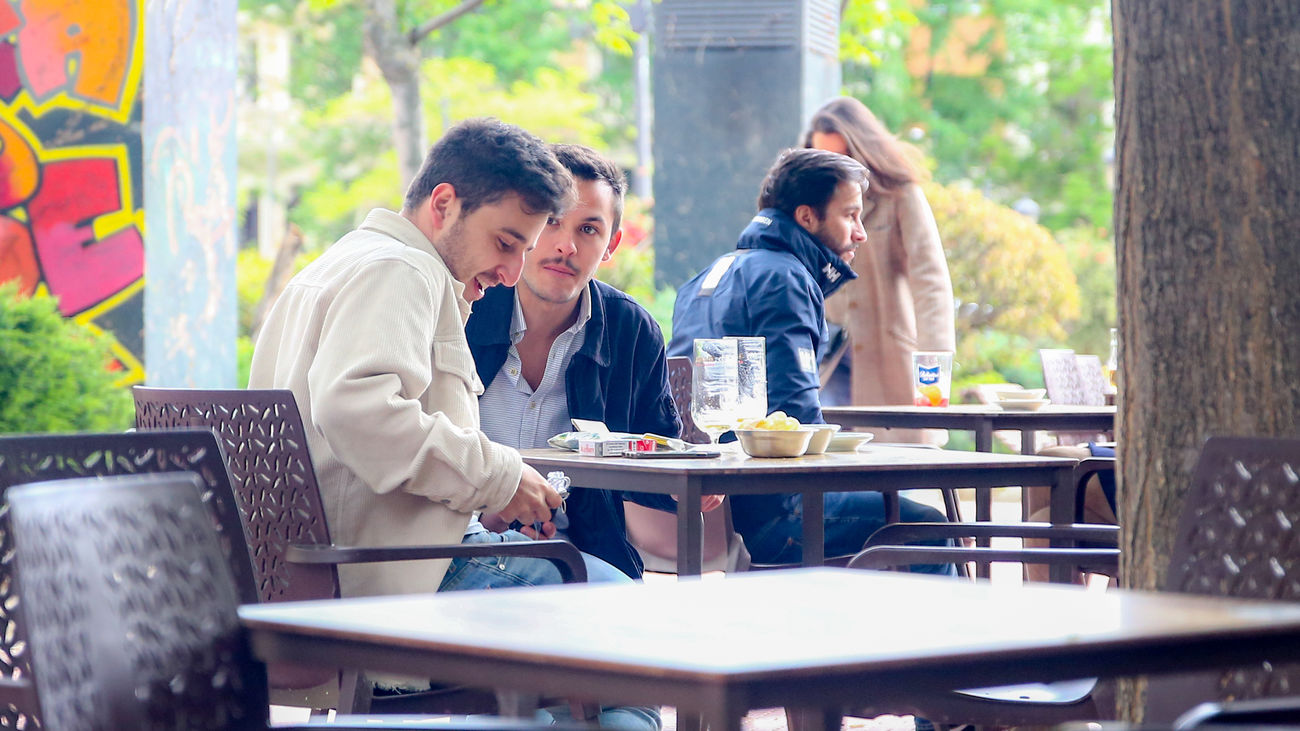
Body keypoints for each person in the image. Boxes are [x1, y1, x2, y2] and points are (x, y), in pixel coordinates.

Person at [248, 117, 577, 601]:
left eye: (523, 252)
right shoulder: (402, 269)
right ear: (443, 204)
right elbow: (357, 409)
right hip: (389, 578)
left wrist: (488, 494)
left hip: (331, 566)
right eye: (505, 244)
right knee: (617, 598)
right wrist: (499, 477)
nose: (510, 274)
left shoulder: (349, 259)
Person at [668, 148, 950, 569]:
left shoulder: (705, 276)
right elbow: (795, 418)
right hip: (773, 513)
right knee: (928, 527)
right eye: (850, 216)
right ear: (806, 217)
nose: (861, 233)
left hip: (697, 515)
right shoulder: (785, 278)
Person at [466, 143, 723, 588]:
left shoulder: (630, 330)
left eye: (588, 229)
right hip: (457, 542)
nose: (566, 245)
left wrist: (696, 482)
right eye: (551, 222)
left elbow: (653, 461)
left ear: (611, 245)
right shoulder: (466, 306)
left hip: (575, 552)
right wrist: (487, 506)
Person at [803, 97, 956, 435]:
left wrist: (932, 373)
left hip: (888, 356)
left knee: (898, 463)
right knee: (821, 455)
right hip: (828, 356)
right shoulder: (807, 204)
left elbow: (931, 282)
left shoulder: (899, 194)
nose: (834, 169)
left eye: (842, 157)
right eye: (823, 160)